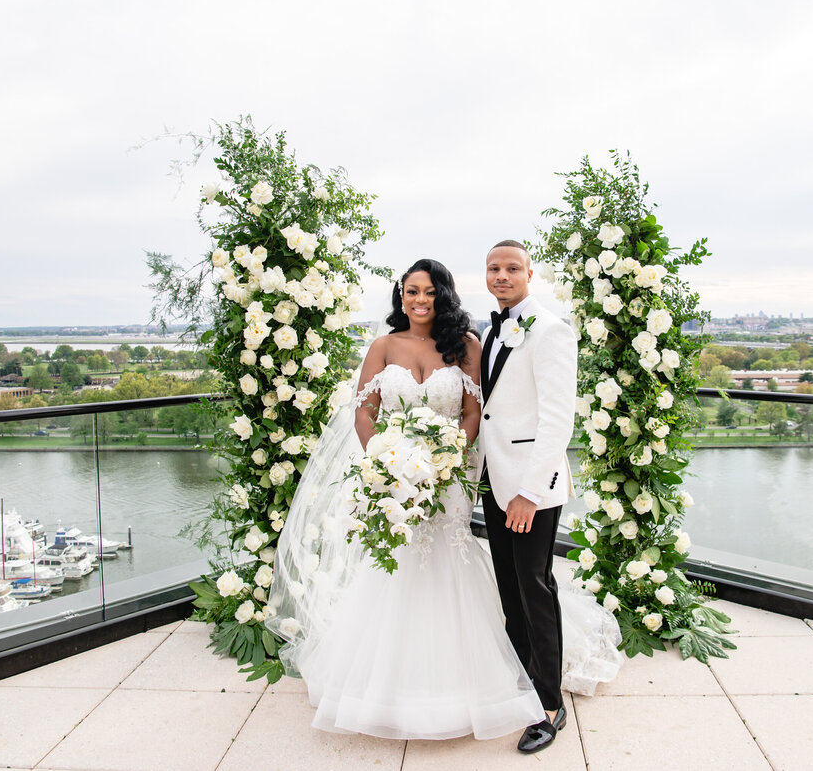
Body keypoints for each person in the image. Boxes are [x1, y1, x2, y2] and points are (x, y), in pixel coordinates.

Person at [265, 257, 622, 746]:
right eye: (411, 291)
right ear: (400, 295)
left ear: (444, 296)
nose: (419, 300)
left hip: (452, 480)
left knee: (518, 581)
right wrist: (386, 463)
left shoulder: (468, 345)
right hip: (392, 483)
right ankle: (399, 683)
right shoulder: (383, 345)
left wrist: (443, 459)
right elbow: (364, 411)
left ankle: (542, 697)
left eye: (429, 292)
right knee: (416, 572)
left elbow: (476, 413)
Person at [478, 239, 576, 753]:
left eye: (512, 268)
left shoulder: (551, 330)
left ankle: (551, 706)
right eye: (494, 268)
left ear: (529, 273)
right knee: (509, 590)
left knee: (535, 587)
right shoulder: (488, 330)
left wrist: (529, 494)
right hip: (494, 482)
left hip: (530, 490)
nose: (502, 275)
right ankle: (525, 680)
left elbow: (557, 420)